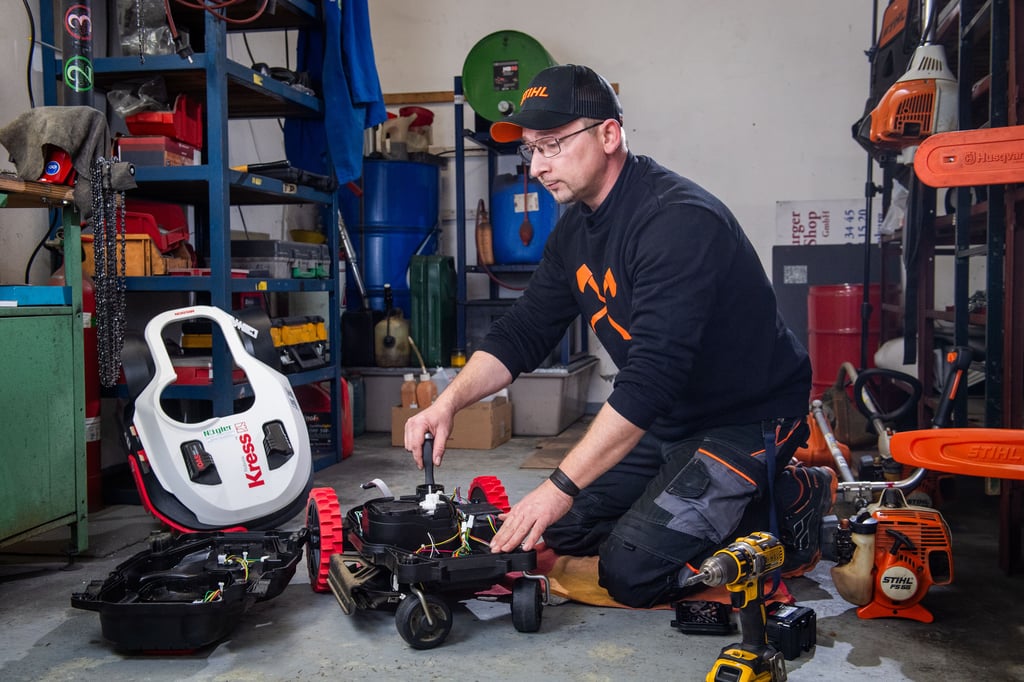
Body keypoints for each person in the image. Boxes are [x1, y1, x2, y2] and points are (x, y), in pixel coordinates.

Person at [404, 64, 837, 608]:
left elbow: (650, 377)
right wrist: (448, 403)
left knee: (633, 573)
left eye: (553, 146)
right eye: (531, 150)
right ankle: (700, 502)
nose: (538, 167)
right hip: (669, 419)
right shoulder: (575, 230)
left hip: (747, 418)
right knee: (563, 534)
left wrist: (557, 487)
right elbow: (523, 330)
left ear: (609, 135)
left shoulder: (676, 222)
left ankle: (790, 496)